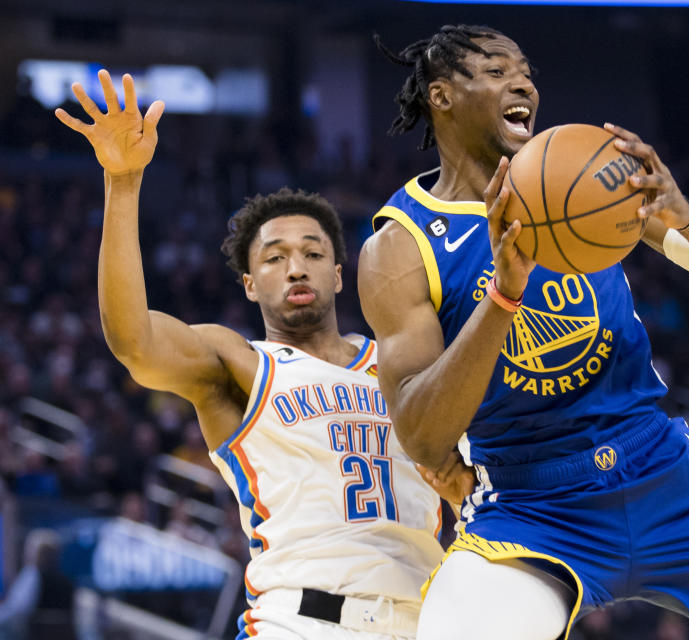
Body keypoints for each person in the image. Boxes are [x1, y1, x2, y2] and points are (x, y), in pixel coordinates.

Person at [359, 25, 689, 640]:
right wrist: (504, 296)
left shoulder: (587, 177)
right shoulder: (401, 245)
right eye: (496, 71)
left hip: (664, 473)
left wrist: (685, 217)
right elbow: (423, 437)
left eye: (525, 70)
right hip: (532, 503)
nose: (522, 82)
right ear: (441, 95)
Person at [55, 70, 471, 640]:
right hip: (299, 621)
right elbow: (134, 341)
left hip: (430, 620)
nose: (296, 266)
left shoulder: (409, 366)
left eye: (312, 252)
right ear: (249, 284)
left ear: (340, 275)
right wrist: (123, 184)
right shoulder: (239, 364)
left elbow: (477, 482)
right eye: (274, 257)